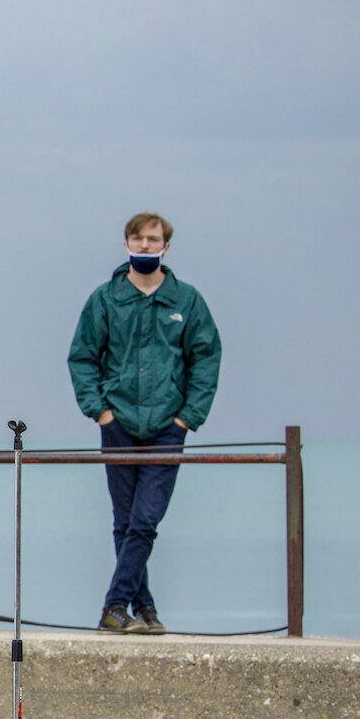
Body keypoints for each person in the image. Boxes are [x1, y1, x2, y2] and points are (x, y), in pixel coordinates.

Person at [66, 211, 222, 635]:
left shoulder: (186, 300)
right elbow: (82, 357)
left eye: (154, 240)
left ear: (166, 247)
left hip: (166, 428)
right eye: (138, 239)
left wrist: (187, 418)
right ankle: (145, 609)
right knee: (125, 522)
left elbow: (206, 358)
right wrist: (100, 411)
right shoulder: (105, 299)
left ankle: (114, 606)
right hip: (117, 424)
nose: (146, 246)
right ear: (126, 245)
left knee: (145, 520)